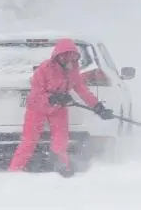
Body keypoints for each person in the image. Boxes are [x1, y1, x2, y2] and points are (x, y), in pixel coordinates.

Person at [8, 38, 114, 177]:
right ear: (57, 57)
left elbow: (83, 91)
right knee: (29, 141)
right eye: (65, 56)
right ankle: (13, 171)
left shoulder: (74, 72)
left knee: (61, 141)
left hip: (58, 109)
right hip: (37, 108)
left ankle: (62, 167)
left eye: (73, 57)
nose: (69, 60)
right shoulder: (44, 69)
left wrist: (98, 107)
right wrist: (53, 98)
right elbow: (36, 93)